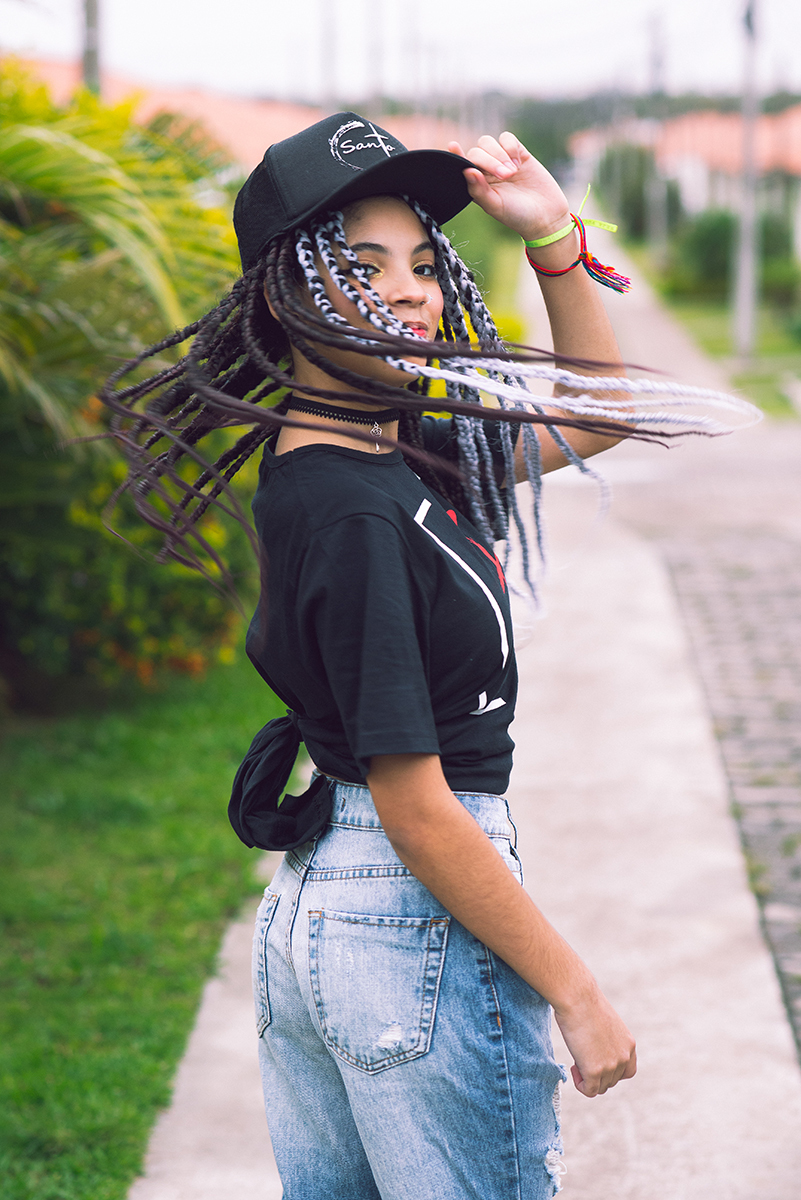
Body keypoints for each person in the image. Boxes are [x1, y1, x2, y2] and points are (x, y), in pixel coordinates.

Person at [100, 112, 745, 1200]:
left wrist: (556, 241)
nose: (411, 293)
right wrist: (574, 991)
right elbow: (418, 805)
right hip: (410, 917)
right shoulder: (349, 508)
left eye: (423, 263)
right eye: (361, 267)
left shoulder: (393, 450)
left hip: (342, 916)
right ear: (280, 298)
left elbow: (600, 415)